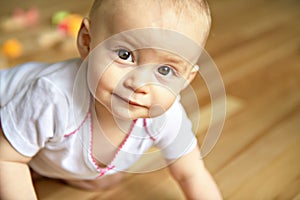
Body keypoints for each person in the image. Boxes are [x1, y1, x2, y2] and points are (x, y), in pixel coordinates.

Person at [0, 0, 223, 199]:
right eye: (125, 55)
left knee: (104, 177)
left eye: (165, 70)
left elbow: (192, 173)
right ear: (87, 42)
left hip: (32, 143)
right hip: (5, 130)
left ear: (186, 79)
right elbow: (5, 160)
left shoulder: (166, 115)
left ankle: (38, 158)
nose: (140, 84)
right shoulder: (53, 96)